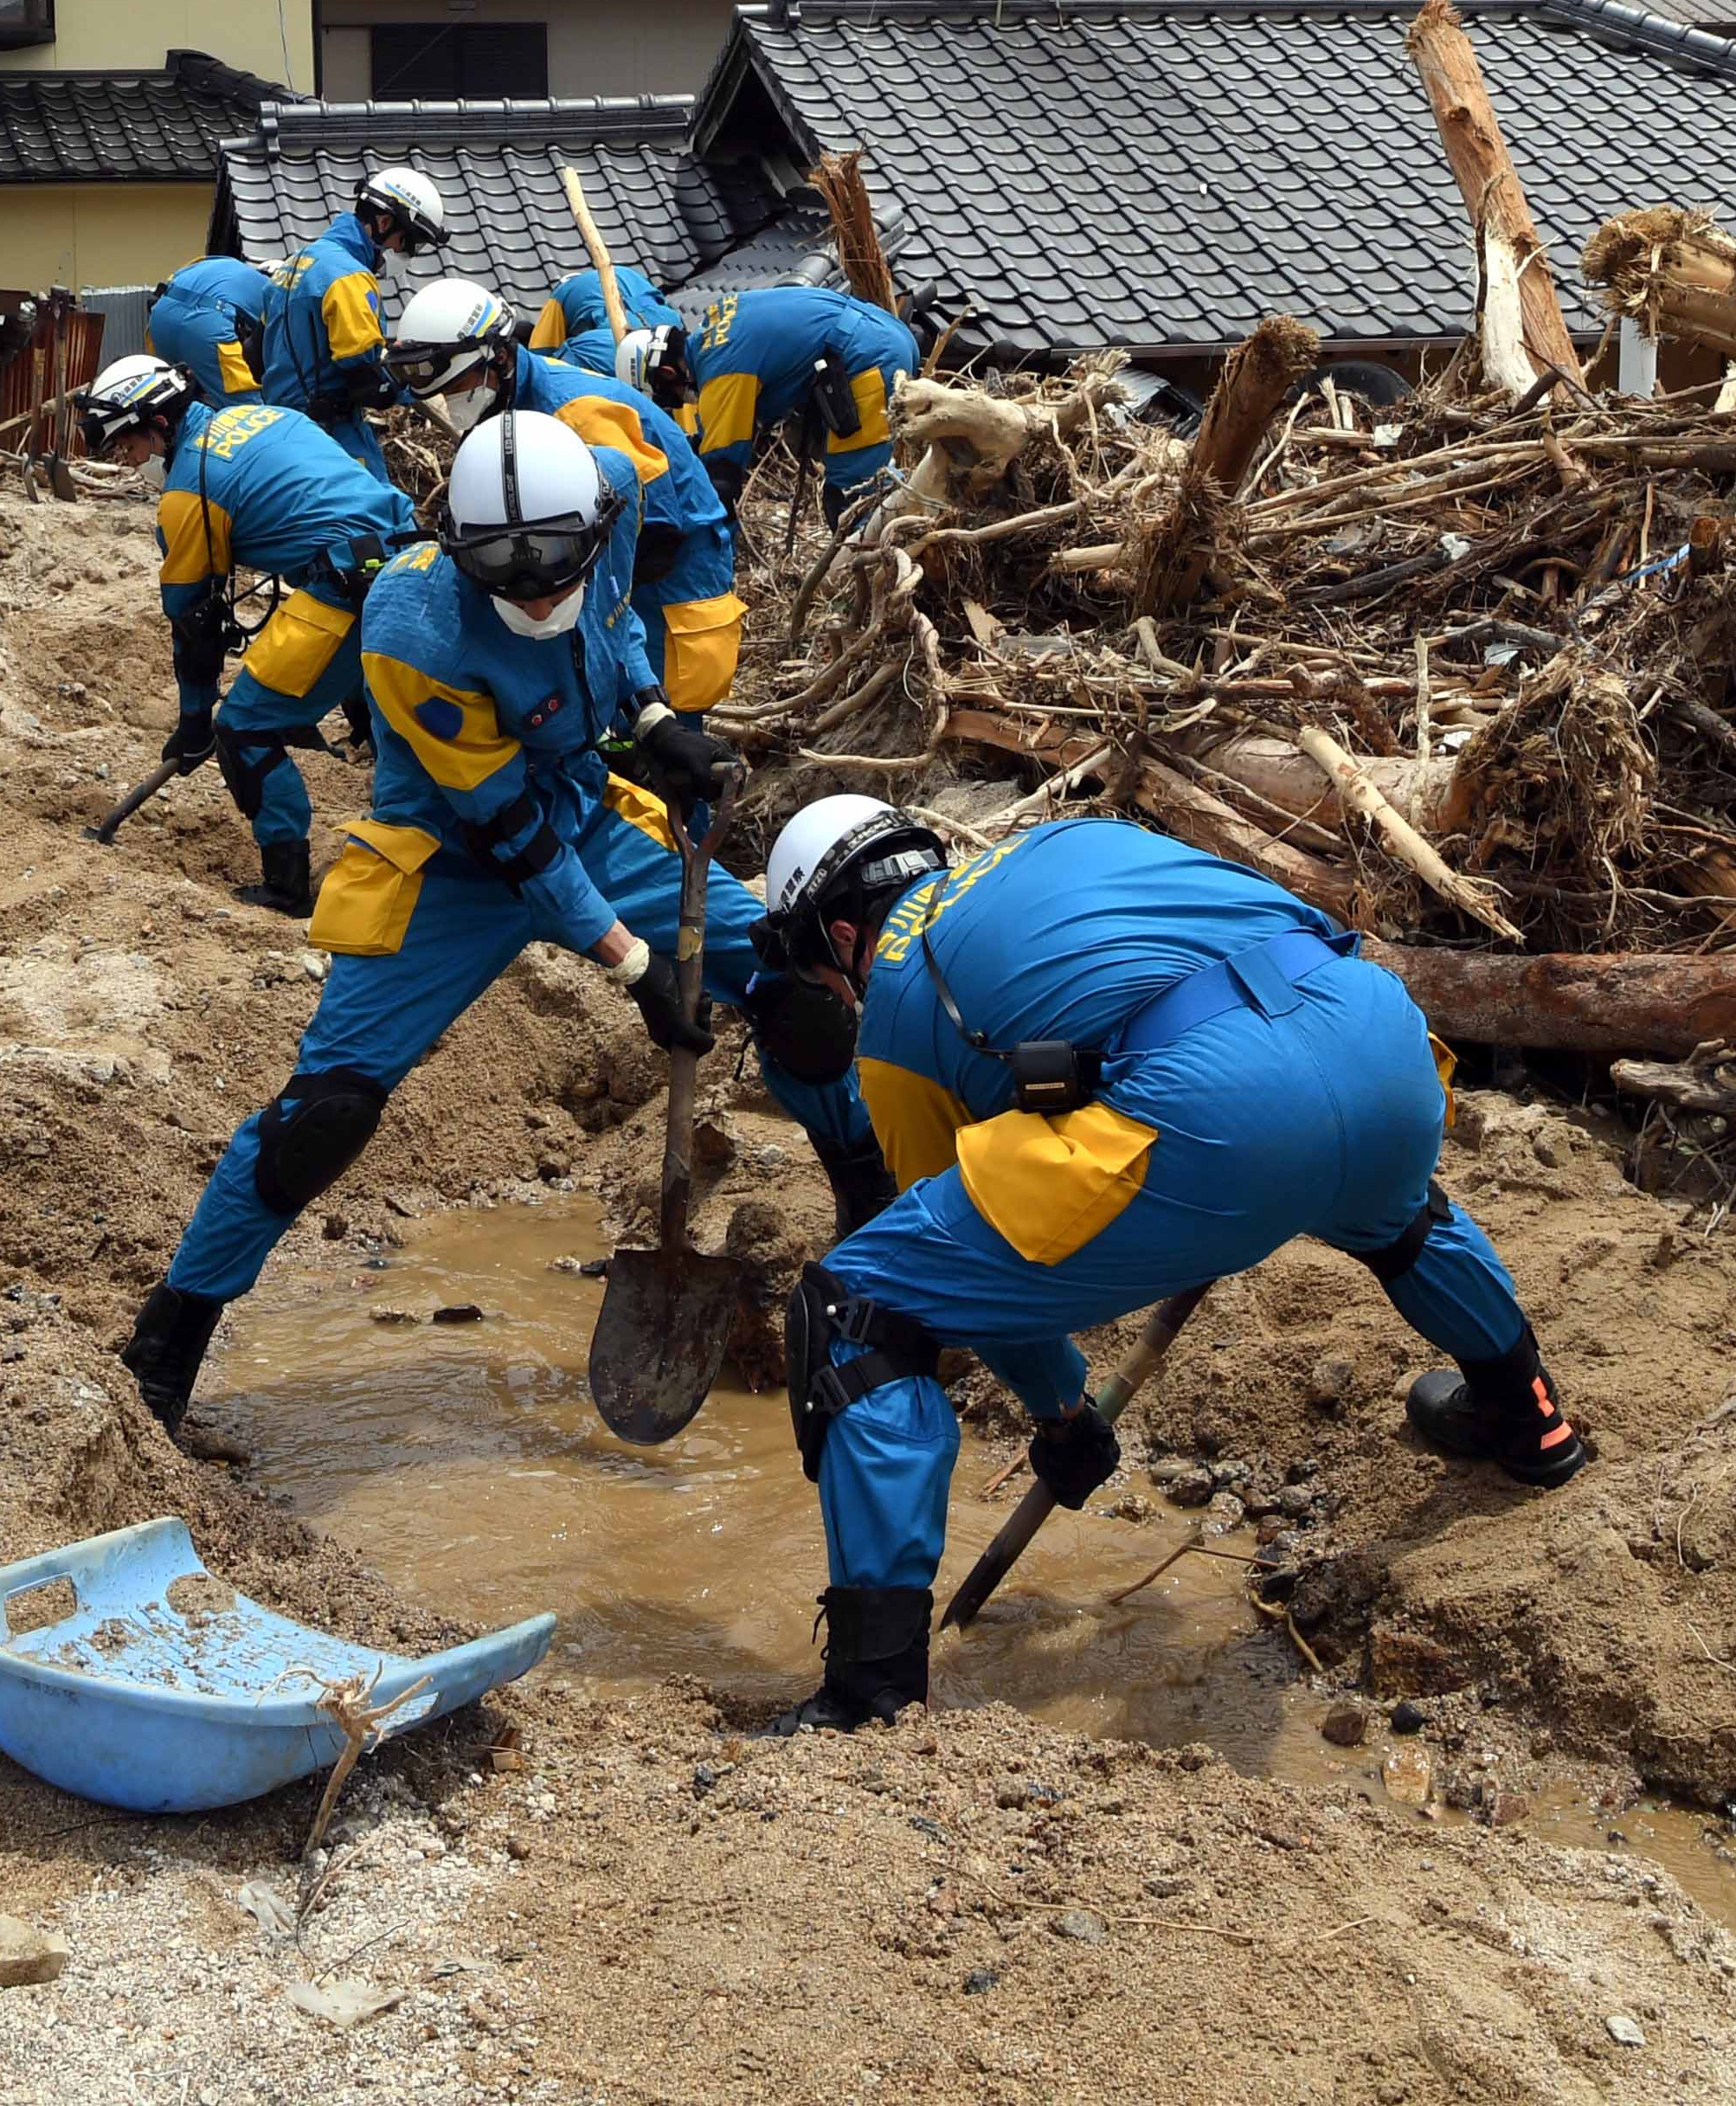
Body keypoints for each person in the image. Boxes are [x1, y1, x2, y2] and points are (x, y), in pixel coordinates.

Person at [753, 798, 1588, 1729]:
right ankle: (1529, 1417)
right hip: (1381, 1040)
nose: (837, 996)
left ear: (838, 934)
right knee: (1396, 1216)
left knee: (855, 1308)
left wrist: (1062, 1412)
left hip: (1225, 1114)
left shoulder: (900, 1005)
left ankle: (870, 1697)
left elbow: (973, 1263)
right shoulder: (1067, 839)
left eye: (824, 975)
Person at [118, 409, 879, 1428]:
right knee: (322, 1117)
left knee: (795, 990)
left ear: (592, 526)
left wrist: (654, 725)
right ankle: (163, 1356)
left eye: (558, 570)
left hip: (580, 809)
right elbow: (512, 835)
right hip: (452, 859)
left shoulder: (611, 490)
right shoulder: (411, 624)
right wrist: (635, 966)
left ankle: (874, 1224)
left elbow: (610, 622)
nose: (538, 595)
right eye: (509, 581)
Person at [77, 354, 408, 918]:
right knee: (374, 708)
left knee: (243, 728)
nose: (128, 462)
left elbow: (195, 626)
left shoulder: (188, 493)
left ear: (159, 427)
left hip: (349, 589)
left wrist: (195, 722)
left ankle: (286, 887)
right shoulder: (266, 417)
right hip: (407, 559)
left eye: (127, 447)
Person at [384, 276, 744, 717]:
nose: (450, 401)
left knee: (664, 712)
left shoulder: (575, 413)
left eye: (455, 387)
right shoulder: (511, 405)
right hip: (633, 560)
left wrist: (584, 607)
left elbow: (653, 536)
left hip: (673, 576)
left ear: (497, 357)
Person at [634, 285, 923, 518]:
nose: (682, 403)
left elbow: (722, 477)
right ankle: (915, 523)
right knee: (869, 477)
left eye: (670, 397)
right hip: (886, 331)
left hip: (866, 358)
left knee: (852, 498)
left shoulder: (720, 370)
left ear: (668, 373)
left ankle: (884, 573)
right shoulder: (715, 326)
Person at [259, 164, 454, 468]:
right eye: (410, 242)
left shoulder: (295, 264)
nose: (409, 255)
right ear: (385, 222)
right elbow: (367, 385)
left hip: (281, 427)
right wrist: (411, 375)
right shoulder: (348, 278)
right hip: (328, 433)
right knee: (378, 508)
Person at [145, 252, 299, 407]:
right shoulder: (278, 292)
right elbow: (280, 354)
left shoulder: (225, 265)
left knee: (172, 403)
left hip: (160, 319)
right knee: (249, 409)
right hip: (208, 327)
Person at [521, 261, 681, 381]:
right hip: (662, 318)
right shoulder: (627, 274)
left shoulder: (561, 294)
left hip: (618, 337)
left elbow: (540, 358)